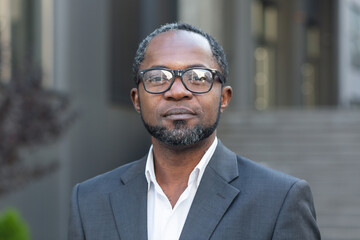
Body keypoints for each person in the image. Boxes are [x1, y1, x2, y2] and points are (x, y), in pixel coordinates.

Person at [68, 23, 321, 240]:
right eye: (158, 78)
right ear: (136, 100)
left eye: (198, 76)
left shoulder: (280, 200)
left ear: (224, 97)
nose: (177, 91)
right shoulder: (89, 200)